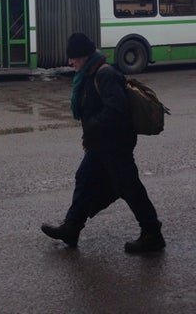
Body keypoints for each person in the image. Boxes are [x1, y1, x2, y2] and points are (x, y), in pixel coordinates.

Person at [40, 32, 165, 253]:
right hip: (100, 144)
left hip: (115, 144)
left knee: (129, 187)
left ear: (84, 56)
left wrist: (92, 127)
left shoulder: (104, 74)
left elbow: (117, 110)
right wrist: (89, 135)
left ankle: (152, 233)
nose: (70, 62)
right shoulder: (89, 74)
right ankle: (72, 227)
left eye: (73, 57)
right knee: (84, 177)